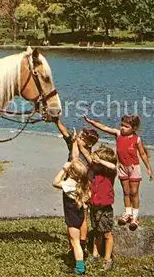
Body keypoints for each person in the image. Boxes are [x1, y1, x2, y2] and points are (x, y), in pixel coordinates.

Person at [83, 114, 154, 230]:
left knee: (134, 192)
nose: (122, 128)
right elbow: (104, 128)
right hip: (122, 168)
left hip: (133, 168)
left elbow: (142, 154)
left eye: (126, 126)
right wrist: (91, 121)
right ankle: (127, 213)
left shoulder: (137, 139)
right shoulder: (118, 134)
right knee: (126, 192)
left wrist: (149, 168)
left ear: (134, 128)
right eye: (122, 125)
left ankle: (135, 217)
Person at [55, 118, 99, 256]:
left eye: (81, 137)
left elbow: (75, 158)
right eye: (79, 136)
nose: (78, 138)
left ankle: (82, 243)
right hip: (72, 187)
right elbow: (65, 133)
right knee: (73, 219)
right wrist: (57, 121)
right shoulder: (75, 144)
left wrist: (75, 143)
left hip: (81, 188)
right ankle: (75, 245)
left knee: (82, 217)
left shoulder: (87, 153)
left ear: (88, 143)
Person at [77, 143, 117, 271]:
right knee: (96, 232)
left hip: (105, 208)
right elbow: (87, 155)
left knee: (107, 234)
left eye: (96, 161)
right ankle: (95, 254)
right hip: (94, 206)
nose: (93, 162)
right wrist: (77, 142)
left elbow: (113, 166)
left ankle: (107, 259)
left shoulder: (110, 174)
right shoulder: (94, 172)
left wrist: (100, 160)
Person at [52, 156, 91, 275]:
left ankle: (80, 268)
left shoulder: (70, 184)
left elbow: (55, 183)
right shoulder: (83, 184)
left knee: (75, 242)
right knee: (73, 239)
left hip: (72, 218)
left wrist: (63, 169)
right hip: (78, 216)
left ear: (71, 172)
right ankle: (74, 259)